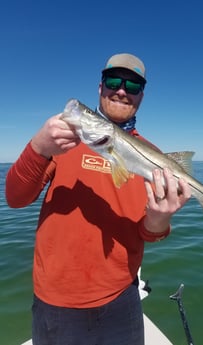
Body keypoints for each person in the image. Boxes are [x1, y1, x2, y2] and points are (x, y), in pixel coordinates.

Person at [5, 53, 191, 345]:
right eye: (113, 81)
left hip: (123, 299)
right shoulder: (62, 141)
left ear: (141, 95)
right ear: (100, 87)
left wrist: (160, 219)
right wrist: (39, 147)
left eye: (132, 86)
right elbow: (15, 198)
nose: (121, 90)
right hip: (57, 302)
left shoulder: (153, 155)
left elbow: (147, 233)